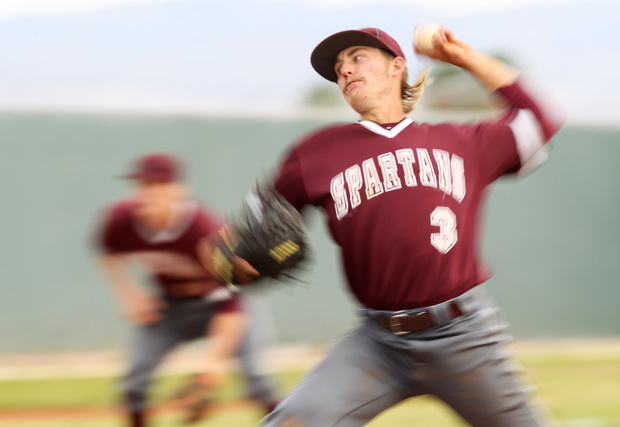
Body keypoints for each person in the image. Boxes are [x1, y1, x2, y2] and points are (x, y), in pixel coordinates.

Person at [233, 25, 564, 426]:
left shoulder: (463, 142)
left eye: (357, 58)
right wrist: (238, 261)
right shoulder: (314, 153)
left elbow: (540, 119)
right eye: (338, 69)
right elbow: (259, 226)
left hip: (462, 334)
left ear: (397, 67)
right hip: (378, 343)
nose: (345, 72)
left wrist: (463, 57)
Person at [94, 153, 279, 427]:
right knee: (134, 381)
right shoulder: (121, 220)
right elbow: (106, 250)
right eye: (141, 186)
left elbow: (232, 303)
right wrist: (129, 295)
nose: (147, 194)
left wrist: (210, 369)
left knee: (257, 380)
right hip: (170, 307)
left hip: (222, 307)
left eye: (156, 186)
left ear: (177, 190)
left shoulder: (205, 230)